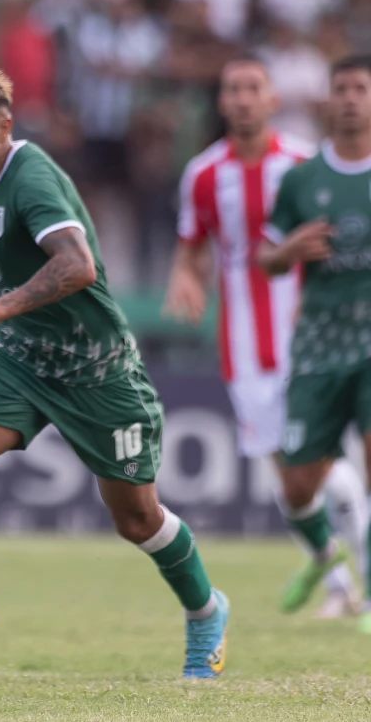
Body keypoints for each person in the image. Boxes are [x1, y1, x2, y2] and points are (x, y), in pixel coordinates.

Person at [0, 66, 230, 679]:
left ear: (4, 126)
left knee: (136, 519)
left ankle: (205, 610)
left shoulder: (32, 178)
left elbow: (78, 265)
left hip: (97, 368)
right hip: (19, 358)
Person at [165, 55, 367, 618]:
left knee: (330, 462)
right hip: (247, 346)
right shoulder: (204, 174)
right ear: (223, 102)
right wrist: (184, 276)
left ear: (273, 98)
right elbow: (191, 246)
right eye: (234, 89)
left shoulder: (304, 163)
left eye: (254, 88)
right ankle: (336, 581)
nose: (245, 98)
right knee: (291, 475)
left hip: (319, 335)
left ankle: (355, 583)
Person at [257, 54, 371, 633]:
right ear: (328, 99)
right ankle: (328, 555)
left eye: (361, 88)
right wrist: (289, 250)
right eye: (342, 88)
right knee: (297, 487)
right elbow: (266, 257)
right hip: (319, 347)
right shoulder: (303, 179)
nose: (350, 98)